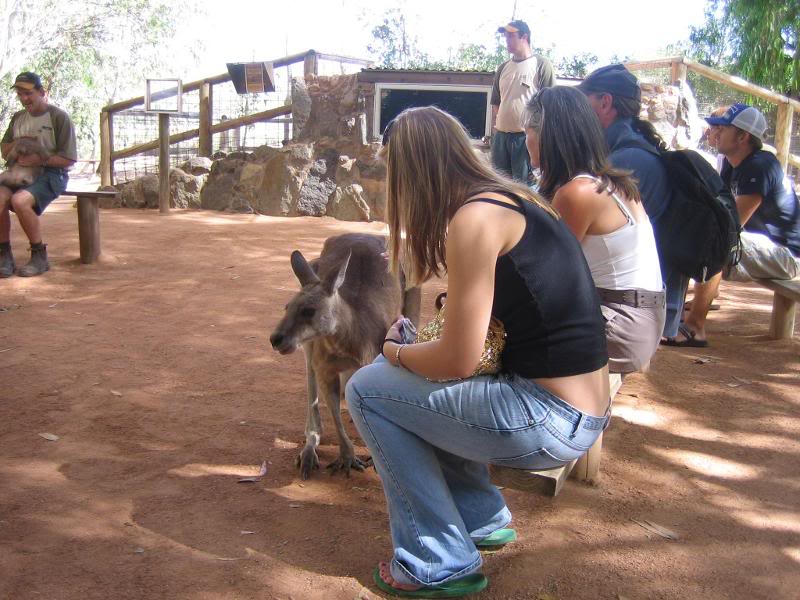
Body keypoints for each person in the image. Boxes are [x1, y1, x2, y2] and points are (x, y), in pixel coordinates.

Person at [345, 106, 610, 598]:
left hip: (549, 419)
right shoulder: (514, 199)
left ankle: (439, 561)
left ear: (411, 173)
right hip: (581, 409)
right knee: (405, 385)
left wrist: (395, 353)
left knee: (367, 389)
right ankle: (480, 517)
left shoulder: (472, 219)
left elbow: (458, 361)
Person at [525, 86, 665, 373]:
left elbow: (543, 275)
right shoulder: (605, 182)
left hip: (620, 325)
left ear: (546, 136)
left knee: (508, 339)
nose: (523, 140)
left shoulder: (578, 192)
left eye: (526, 131)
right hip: (640, 317)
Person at [576, 64, 687, 346]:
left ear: (605, 102)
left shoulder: (627, 160)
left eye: (584, 100)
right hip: (635, 301)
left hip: (630, 310)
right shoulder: (627, 146)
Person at [677, 103, 800, 346]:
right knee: (692, 233)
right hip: (764, 245)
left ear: (743, 136)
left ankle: (695, 327)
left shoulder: (760, 165)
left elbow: (731, 224)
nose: (715, 132)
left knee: (715, 240)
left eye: (723, 128)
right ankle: (680, 309)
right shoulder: (733, 165)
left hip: (787, 256)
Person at [0, 71, 77, 277]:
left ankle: (39, 255)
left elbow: (69, 160)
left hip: (52, 173)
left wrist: (39, 159)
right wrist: (17, 144)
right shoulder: (17, 118)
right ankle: (4, 254)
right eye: (19, 94)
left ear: (42, 92)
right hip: (18, 171)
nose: (24, 99)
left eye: (28, 93)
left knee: (20, 201)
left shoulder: (58, 117)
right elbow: (5, 150)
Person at [490, 19, 554, 183]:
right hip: (501, 138)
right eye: (505, 37)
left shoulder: (541, 65)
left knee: (524, 188)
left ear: (524, 36)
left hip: (526, 138)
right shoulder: (503, 68)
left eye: (511, 36)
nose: (507, 41)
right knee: (499, 185)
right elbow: (496, 102)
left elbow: (551, 104)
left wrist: (536, 136)